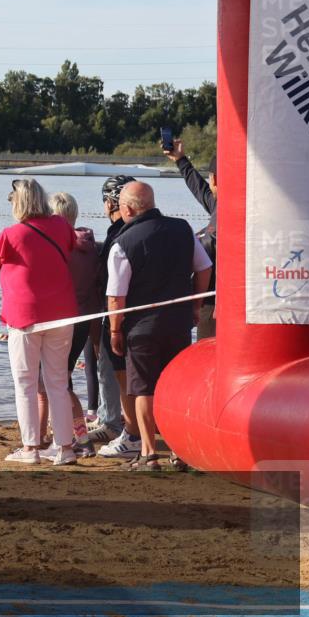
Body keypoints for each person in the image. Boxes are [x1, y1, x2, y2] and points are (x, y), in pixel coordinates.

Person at [106, 182, 212, 471]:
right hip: (178, 322)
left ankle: (149, 453)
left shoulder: (123, 242)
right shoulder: (183, 228)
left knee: (143, 389)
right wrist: (195, 305)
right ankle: (178, 451)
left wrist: (115, 330)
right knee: (174, 387)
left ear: (127, 208)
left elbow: (116, 296)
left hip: (141, 327)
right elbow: (204, 267)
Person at [0, 178, 78, 466]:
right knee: (58, 382)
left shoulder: (10, 234)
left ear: (18, 203)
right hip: (62, 312)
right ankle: (65, 449)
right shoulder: (61, 226)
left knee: (26, 383)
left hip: (25, 316)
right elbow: (73, 246)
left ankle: (31, 448)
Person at [37, 192, 101, 458]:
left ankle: (77, 439)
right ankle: (57, 436)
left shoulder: (61, 247)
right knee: (59, 382)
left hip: (61, 321)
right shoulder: (91, 245)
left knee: (56, 384)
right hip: (83, 321)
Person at [88, 176, 139, 458]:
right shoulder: (138, 228)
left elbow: (109, 279)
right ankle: (115, 419)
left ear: (111, 202)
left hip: (116, 312)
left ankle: (114, 424)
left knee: (113, 369)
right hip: (139, 312)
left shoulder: (118, 234)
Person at [164, 141, 217, 339]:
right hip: (207, 303)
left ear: (215, 179)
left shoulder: (232, 208)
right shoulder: (218, 203)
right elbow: (199, 189)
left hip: (215, 305)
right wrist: (180, 160)